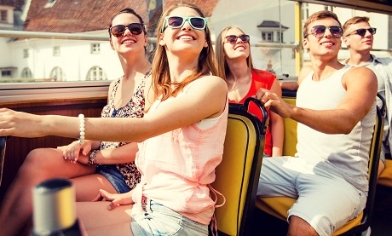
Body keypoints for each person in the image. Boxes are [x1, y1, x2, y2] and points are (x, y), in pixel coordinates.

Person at [0, 3, 228, 235]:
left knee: (52, 222)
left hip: (176, 217)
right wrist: (133, 194)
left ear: (206, 40)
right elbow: (162, 163)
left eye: (196, 23)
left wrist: (42, 123)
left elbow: (144, 130)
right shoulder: (165, 95)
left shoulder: (211, 86)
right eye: (176, 22)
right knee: (46, 214)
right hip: (147, 203)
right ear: (162, 38)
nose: (186, 27)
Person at [0, 8, 152, 236]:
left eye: (135, 29)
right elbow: (106, 129)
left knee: (44, 195)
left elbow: (148, 145)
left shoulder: (153, 83)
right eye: (119, 30)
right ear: (111, 41)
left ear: (145, 38)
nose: (127, 33)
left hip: (126, 176)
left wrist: (93, 156)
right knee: (37, 157)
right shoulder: (116, 85)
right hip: (101, 162)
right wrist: (85, 142)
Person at [255, 10, 377, 235]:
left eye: (335, 30)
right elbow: (301, 87)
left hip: (342, 180)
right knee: (228, 174)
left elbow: (346, 120)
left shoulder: (360, 76)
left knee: (302, 227)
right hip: (300, 165)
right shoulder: (305, 76)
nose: (328, 34)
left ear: (341, 38)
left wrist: (291, 111)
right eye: (319, 30)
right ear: (306, 42)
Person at [215, 26, 284, 157]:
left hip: (262, 157)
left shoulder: (268, 80)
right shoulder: (216, 86)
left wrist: (277, 160)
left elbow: (276, 122)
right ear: (222, 50)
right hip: (227, 157)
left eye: (244, 38)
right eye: (232, 39)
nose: (240, 41)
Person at [342, 16, 392, 177]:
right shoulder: (340, 72)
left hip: (386, 132)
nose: (368, 35)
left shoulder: (387, 65)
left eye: (371, 31)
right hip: (362, 136)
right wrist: (279, 84)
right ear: (345, 40)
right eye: (361, 32)